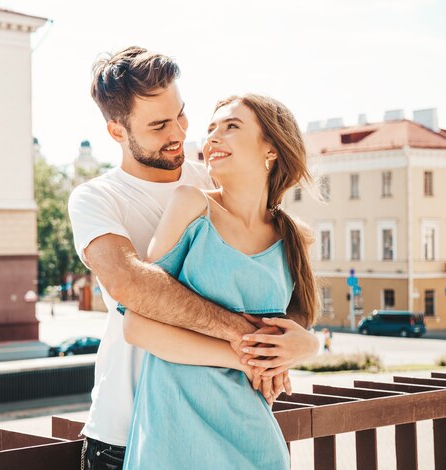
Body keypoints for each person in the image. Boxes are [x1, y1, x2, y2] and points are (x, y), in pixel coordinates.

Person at [68, 47, 318, 469]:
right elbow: (133, 286)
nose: (180, 133)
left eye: (181, 114)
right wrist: (245, 342)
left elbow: (280, 297)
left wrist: (304, 344)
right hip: (124, 432)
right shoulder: (97, 198)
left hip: (228, 424)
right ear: (117, 132)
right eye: (159, 125)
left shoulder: (216, 182)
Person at [122, 94, 319, 468]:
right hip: (175, 438)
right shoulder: (192, 206)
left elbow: (296, 333)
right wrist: (244, 359)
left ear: (272, 149)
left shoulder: (294, 236)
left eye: (231, 126)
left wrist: (308, 347)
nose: (212, 137)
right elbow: (136, 326)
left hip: (254, 441)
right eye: (210, 129)